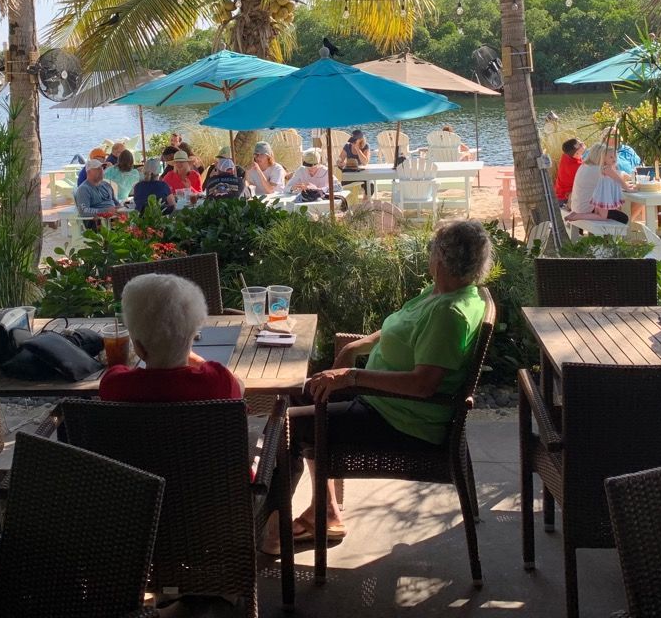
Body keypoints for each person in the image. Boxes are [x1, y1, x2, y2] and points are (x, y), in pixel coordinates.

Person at [265, 220, 493, 547]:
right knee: (295, 395)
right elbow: (398, 329)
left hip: (402, 422)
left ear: (440, 260)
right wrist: (355, 348)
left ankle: (275, 526)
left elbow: (422, 386)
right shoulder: (443, 292)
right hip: (382, 402)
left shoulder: (450, 313)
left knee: (288, 425)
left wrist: (351, 376)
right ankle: (323, 511)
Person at [99, 273, 243, 402]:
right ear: (193, 335)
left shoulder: (114, 384)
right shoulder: (219, 382)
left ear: (140, 347)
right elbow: (238, 388)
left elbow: (120, 374)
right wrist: (196, 360)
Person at [567, 141, 632, 224]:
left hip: (578, 206)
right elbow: (620, 176)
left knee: (610, 208)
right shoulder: (597, 169)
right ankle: (613, 236)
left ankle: (607, 235)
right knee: (623, 218)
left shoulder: (584, 166)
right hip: (587, 209)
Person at [73, 159, 119, 228]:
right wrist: (105, 211)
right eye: (97, 169)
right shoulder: (84, 189)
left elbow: (115, 202)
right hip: (98, 222)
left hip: (113, 219)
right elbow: (84, 211)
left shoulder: (106, 185)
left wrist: (120, 208)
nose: (101, 171)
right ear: (88, 172)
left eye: (102, 168)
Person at [553, 137, 584, 208]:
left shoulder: (566, 156)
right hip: (566, 199)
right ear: (576, 152)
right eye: (580, 144)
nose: (583, 144)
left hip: (559, 195)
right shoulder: (576, 166)